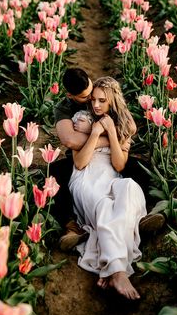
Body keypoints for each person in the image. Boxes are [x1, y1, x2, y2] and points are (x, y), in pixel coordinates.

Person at [51, 68, 165, 251]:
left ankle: (140, 217)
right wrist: (105, 135)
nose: (91, 101)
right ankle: (72, 226)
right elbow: (70, 140)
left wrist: (110, 136)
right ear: (70, 95)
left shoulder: (100, 91)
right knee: (55, 175)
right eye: (84, 97)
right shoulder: (64, 107)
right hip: (83, 154)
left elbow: (130, 127)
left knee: (140, 169)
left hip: (110, 151)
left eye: (91, 93)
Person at [69, 76, 147, 300]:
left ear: (112, 102)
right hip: (85, 179)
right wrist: (94, 133)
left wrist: (112, 132)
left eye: (102, 101)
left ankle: (108, 263)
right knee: (105, 205)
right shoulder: (82, 119)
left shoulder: (121, 126)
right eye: (93, 99)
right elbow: (80, 162)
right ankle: (118, 271)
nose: (96, 105)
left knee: (129, 188)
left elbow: (120, 164)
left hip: (110, 176)